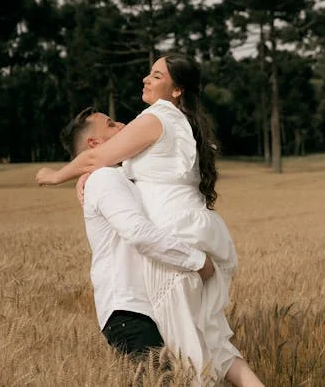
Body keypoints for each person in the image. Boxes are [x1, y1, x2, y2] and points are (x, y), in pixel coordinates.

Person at [37, 54, 263, 386]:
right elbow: (106, 167)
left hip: (177, 251)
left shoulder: (154, 120)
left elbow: (101, 164)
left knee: (194, 363)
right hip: (190, 242)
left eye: (156, 76)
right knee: (213, 348)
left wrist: (59, 175)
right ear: (94, 142)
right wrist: (90, 174)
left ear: (176, 90)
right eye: (112, 124)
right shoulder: (176, 126)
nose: (145, 79)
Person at [57, 106, 215, 358]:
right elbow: (139, 232)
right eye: (110, 124)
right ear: (95, 143)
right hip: (131, 313)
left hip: (145, 310)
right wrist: (198, 262)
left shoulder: (114, 177)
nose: (121, 124)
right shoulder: (104, 179)